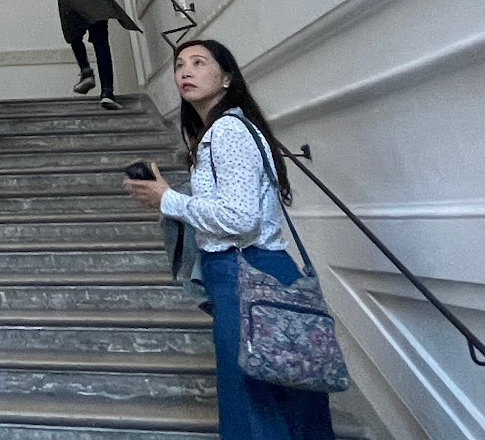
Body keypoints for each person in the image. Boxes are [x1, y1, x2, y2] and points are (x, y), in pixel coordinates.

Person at [123, 40, 336, 440]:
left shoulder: (227, 131)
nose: (185, 71)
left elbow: (240, 219)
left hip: (246, 272)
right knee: (281, 399)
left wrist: (168, 199)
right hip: (256, 272)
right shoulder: (221, 132)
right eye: (180, 64)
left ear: (226, 78)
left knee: (254, 403)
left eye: (199, 63)